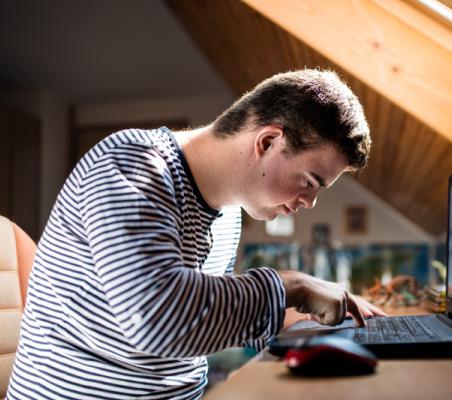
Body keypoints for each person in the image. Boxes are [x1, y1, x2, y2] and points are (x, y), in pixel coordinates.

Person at [7, 69, 385, 399]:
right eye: (309, 181)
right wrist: (294, 286)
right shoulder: (131, 165)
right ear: (268, 141)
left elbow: (206, 316)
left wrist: (330, 316)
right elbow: (157, 321)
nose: (310, 202)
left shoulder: (228, 214)